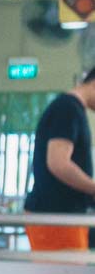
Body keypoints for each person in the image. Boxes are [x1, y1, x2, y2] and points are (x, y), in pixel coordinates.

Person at [24, 69, 95, 250]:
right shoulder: (67, 108)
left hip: (62, 216)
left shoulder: (70, 108)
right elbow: (58, 164)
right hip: (56, 217)